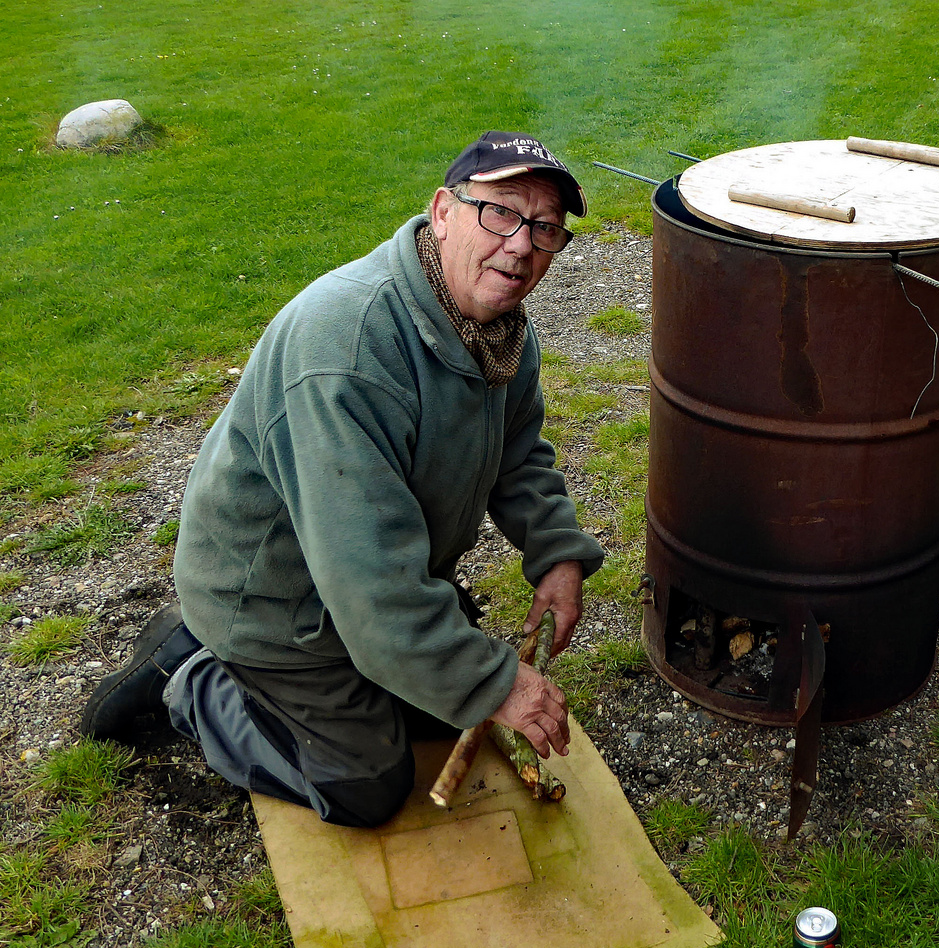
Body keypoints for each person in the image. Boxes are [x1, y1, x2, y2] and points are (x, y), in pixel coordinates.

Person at [81, 131, 605, 828]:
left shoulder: (499, 330)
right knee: (366, 784)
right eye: (501, 212)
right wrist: (493, 678)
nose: (521, 246)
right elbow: (369, 577)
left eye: (545, 229)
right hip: (279, 604)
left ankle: (240, 659)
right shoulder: (348, 348)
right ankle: (193, 678)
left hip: (352, 587)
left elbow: (518, 452)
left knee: (439, 709)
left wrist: (557, 553)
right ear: (443, 211)